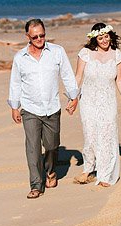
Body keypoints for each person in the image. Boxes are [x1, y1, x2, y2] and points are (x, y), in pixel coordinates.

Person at [9, 18, 79, 199]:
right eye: (35, 37)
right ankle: (35, 184)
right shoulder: (20, 58)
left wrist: (74, 96)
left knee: (51, 145)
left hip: (52, 108)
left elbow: (67, 75)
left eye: (42, 35)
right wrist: (14, 106)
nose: (40, 39)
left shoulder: (57, 52)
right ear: (27, 37)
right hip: (30, 109)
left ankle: (50, 171)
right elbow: (15, 84)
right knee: (32, 147)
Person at [68, 23, 121, 187]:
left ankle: (105, 174)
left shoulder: (117, 55)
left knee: (107, 135)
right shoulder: (85, 54)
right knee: (90, 135)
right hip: (88, 102)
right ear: (95, 39)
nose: (104, 40)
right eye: (100, 37)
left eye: (106, 36)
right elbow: (78, 77)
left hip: (108, 102)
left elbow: (119, 80)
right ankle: (88, 168)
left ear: (110, 36)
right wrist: (72, 98)